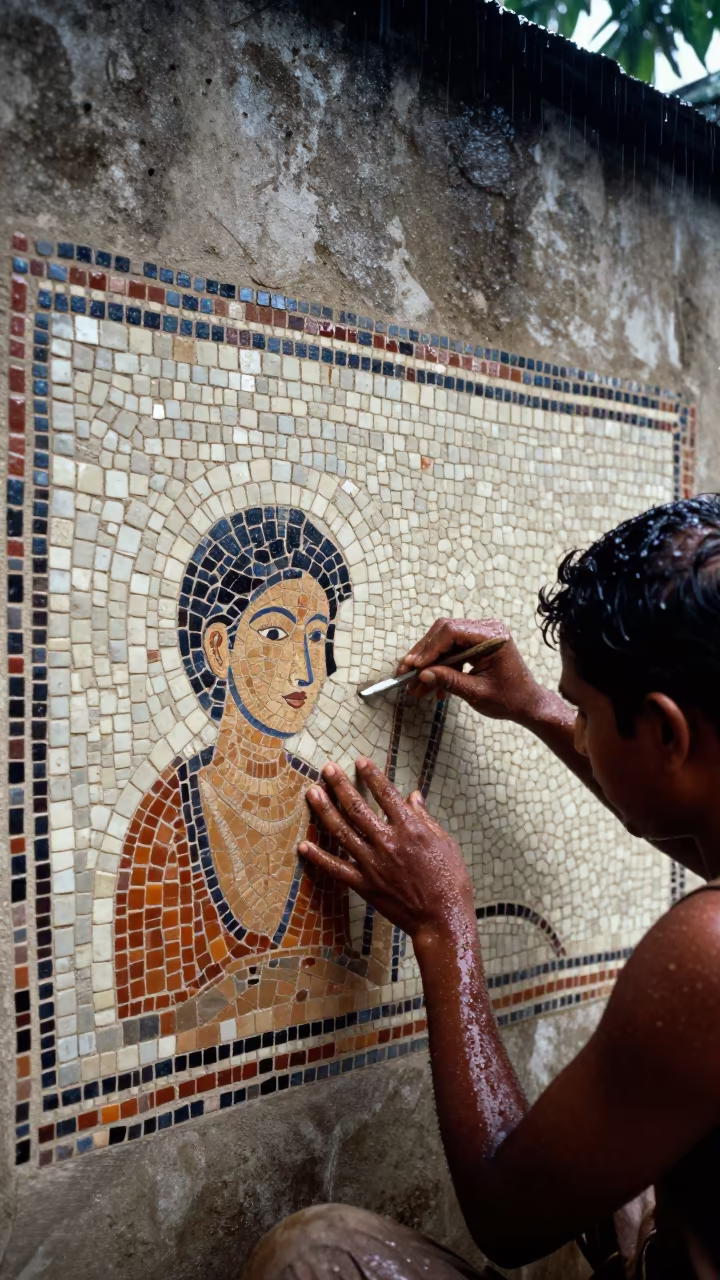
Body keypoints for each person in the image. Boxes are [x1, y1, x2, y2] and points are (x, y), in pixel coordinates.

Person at [244, 495, 720, 1280]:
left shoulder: (706, 957)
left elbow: (507, 1213)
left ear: (667, 734)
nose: (578, 731)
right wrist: (537, 707)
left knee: (312, 1256)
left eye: (587, 713)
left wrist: (442, 926)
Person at [113, 506, 390, 1040]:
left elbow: (354, 989)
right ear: (220, 649)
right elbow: (146, 1032)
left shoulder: (324, 803)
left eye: (316, 636)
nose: (306, 670)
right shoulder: (166, 819)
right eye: (274, 634)